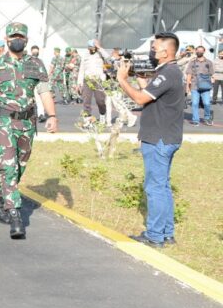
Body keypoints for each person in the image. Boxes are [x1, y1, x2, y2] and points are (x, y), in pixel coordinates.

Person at [0, 22, 58, 239]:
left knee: (19, 166)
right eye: (13, 36)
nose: (17, 39)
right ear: (6, 39)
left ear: (26, 40)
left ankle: (2, 201)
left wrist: (52, 116)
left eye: (21, 36)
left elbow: (45, 92)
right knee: (7, 166)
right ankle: (15, 214)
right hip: (3, 122)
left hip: (27, 124)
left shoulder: (36, 64)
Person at [116, 32, 184, 247]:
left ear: (165, 52)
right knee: (162, 186)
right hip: (167, 136)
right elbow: (151, 94)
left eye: (154, 49)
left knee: (155, 187)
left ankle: (155, 236)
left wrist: (121, 80)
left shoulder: (167, 73)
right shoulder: (169, 71)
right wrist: (140, 79)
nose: (151, 53)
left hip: (159, 138)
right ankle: (166, 233)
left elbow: (139, 98)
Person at [77, 39, 110, 122]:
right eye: (89, 47)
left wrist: (99, 47)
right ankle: (87, 119)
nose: (90, 49)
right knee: (86, 100)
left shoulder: (100, 53)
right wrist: (79, 83)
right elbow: (81, 69)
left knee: (100, 100)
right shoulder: (85, 55)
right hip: (87, 80)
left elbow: (109, 58)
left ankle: (102, 114)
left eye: (92, 47)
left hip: (99, 80)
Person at [184, 45, 214, 126]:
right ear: (195, 51)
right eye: (198, 50)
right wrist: (187, 86)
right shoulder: (192, 62)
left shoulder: (209, 62)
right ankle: (195, 120)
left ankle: (207, 118)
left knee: (207, 103)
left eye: (201, 51)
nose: (199, 52)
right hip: (194, 86)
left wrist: (212, 81)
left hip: (206, 86)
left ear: (204, 51)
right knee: (194, 103)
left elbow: (212, 74)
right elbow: (189, 74)